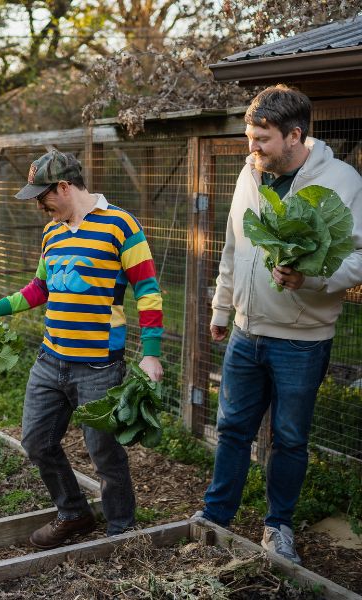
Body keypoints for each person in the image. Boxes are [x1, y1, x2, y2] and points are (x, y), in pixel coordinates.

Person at [0, 149, 164, 549]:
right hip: (51, 357)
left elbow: (148, 290)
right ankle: (74, 513)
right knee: (36, 441)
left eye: (43, 196)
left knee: (103, 452)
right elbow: (40, 287)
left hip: (98, 365)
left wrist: (151, 352)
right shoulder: (52, 233)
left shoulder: (121, 226)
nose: (39, 205)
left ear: (64, 186)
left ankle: (121, 531)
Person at [196, 84, 362, 564]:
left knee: (290, 439)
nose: (252, 149)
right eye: (250, 137)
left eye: (260, 139)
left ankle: (278, 527)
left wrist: (309, 277)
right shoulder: (250, 174)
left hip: (302, 342)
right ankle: (215, 515)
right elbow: (233, 245)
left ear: (294, 135)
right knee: (231, 429)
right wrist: (222, 308)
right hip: (246, 333)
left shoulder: (343, 180)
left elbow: (357, 259)